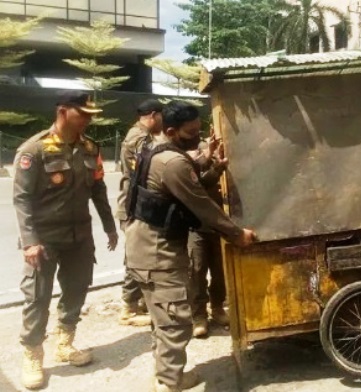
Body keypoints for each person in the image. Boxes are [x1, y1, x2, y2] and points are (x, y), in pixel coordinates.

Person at [124, 100, 257, 392]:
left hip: (144, 246)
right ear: (171, 131)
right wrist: (237, 234)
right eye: (191, 132)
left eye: (200, 130)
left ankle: (164, 374)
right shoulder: (173, 162)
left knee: (161, 319)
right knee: (175, 322)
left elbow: (185, 182)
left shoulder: (155, 149)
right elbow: (201, 205)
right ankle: (170, 383)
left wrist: (212, 166)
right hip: (158, 253)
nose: (198, 137)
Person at [13, 91, 118, 390]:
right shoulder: (35, 150)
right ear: (63, 111)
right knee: (37, 296)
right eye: (82, 114)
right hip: (44, 239)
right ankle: (32, 354)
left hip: (79, 237)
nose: (88, 119)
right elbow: (21, 199)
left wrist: (109, 225)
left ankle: (65, 342)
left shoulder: (89, 148)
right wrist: (30, 241)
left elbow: (98, 190)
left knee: (77, 288)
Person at [115, 98, 164, 327]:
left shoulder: (139, 135)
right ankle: (128, 306)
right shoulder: (140, 138)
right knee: (136, 256)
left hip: (136, 203)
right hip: (134, 205)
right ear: (153, 115)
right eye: (161, 116)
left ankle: (139, 301)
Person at [187, 135, 230, 337]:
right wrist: (217, 167)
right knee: (197, 272)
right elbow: (200, 186)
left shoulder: (211, 155)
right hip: (196, 226)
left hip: (217, 224)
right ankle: (199, 316)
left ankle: (218, 307)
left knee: (219, 270)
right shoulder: (188, 159)